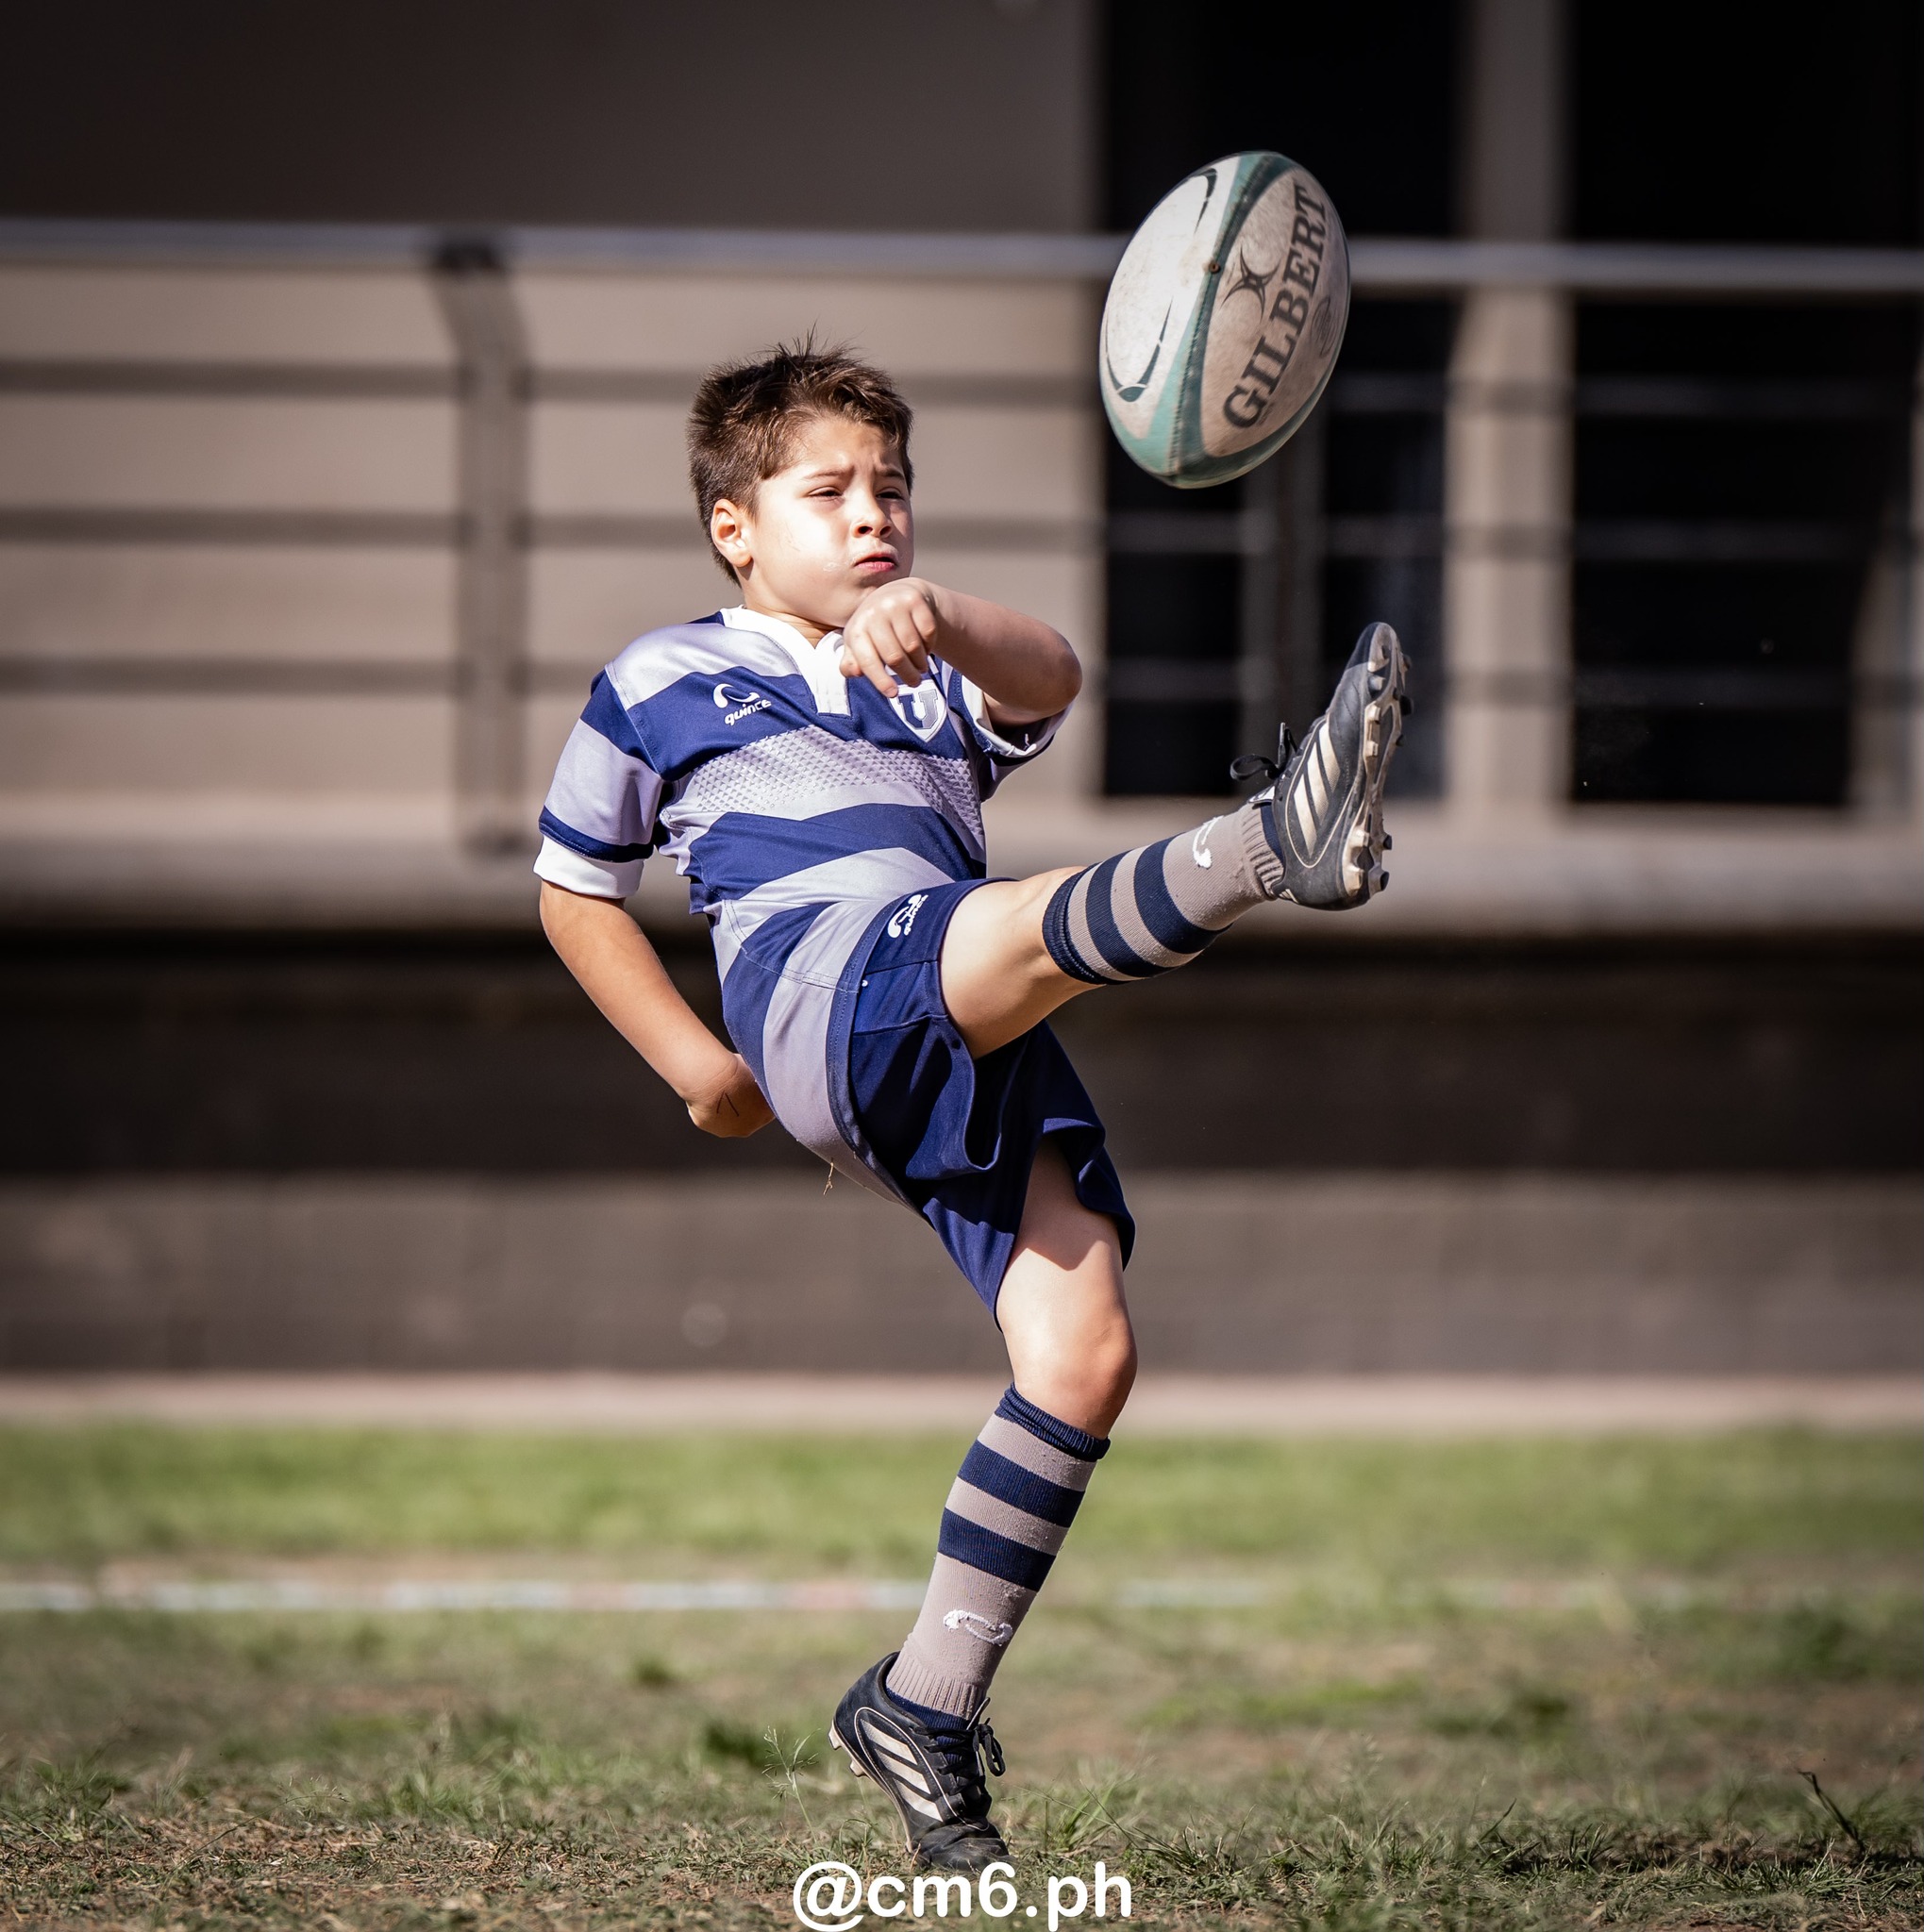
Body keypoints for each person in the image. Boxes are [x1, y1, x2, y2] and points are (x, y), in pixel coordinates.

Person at [534, 342, 1407, 1873]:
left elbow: (1054, 675)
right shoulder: (658, 678)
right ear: (735, 526)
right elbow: (572, 890)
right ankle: (1276, 841)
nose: (875, 517)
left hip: (952, 1003)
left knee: (1084, 1356)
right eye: (830, 492)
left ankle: (924, 1700)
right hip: (826, 983)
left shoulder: (930, 674)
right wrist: (694, 1065)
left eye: (896, 490)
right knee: (995, 926)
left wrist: (946, 619)